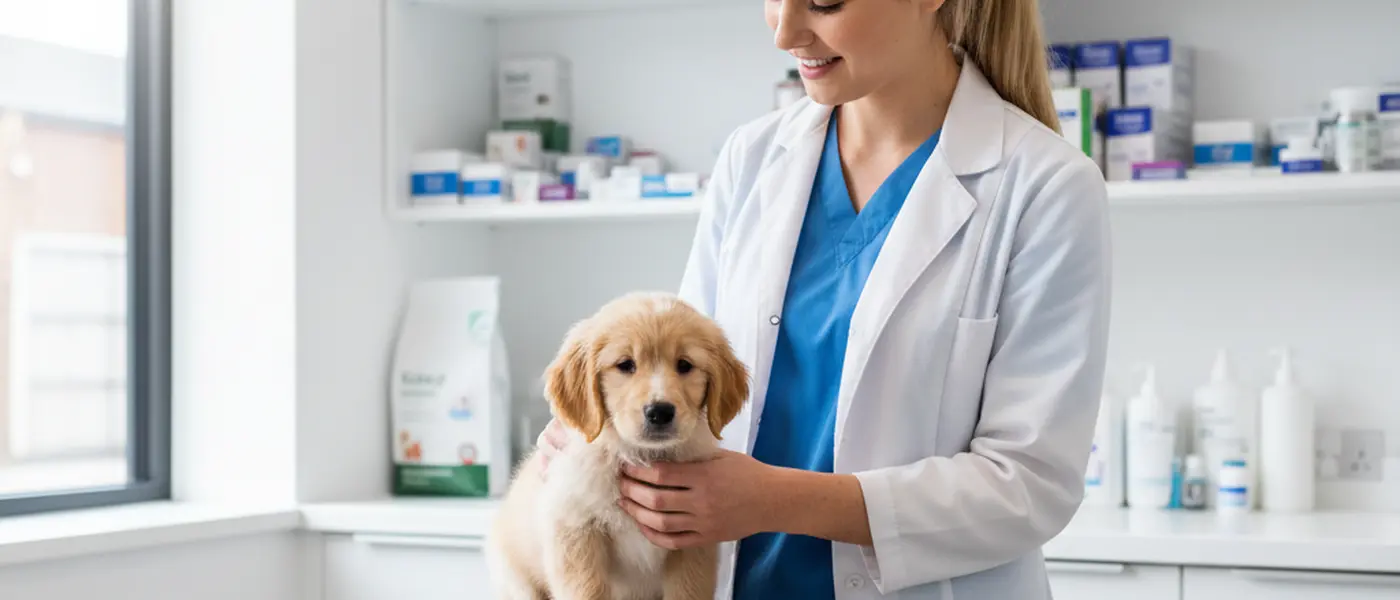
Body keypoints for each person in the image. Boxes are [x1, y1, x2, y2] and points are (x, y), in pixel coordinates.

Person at [533, 0, 1112, 597]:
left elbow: (1030, 486)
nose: (784, 33)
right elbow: (682, 377)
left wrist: (776, 501)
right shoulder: (751, 159)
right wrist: (592, 441)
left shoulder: (1046, 188)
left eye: (824, 2)